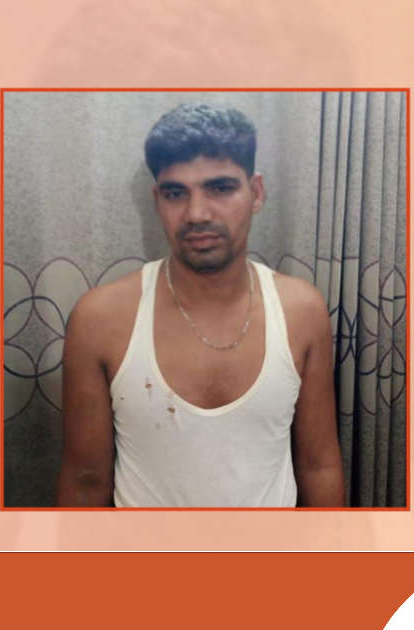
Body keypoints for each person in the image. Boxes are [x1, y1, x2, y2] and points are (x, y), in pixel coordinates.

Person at [56, 103, 344, 507]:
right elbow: (85, 480)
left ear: (256, 193)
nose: (196, 213)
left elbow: (319, 466)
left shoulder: (301, 312)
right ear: (157, 200)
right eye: (176, 193)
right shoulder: (100, 320)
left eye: (220, 188)